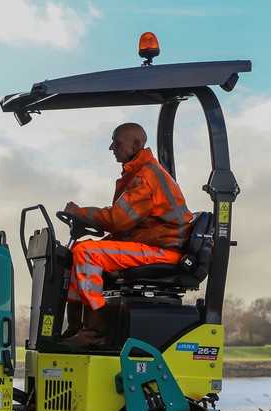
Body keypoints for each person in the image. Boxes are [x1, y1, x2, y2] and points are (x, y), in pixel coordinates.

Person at [61, 122, 193, 347]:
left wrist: (79, 212)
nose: (112, 147)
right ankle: (75, 327)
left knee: (87, 252)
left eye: (117, 142)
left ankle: (96, 330)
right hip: (149, 242)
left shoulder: (147, 177)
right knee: (77, 253)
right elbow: (123, 222)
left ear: (137, 144)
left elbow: (117, 220)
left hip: (164, 250)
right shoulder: (139, 172)